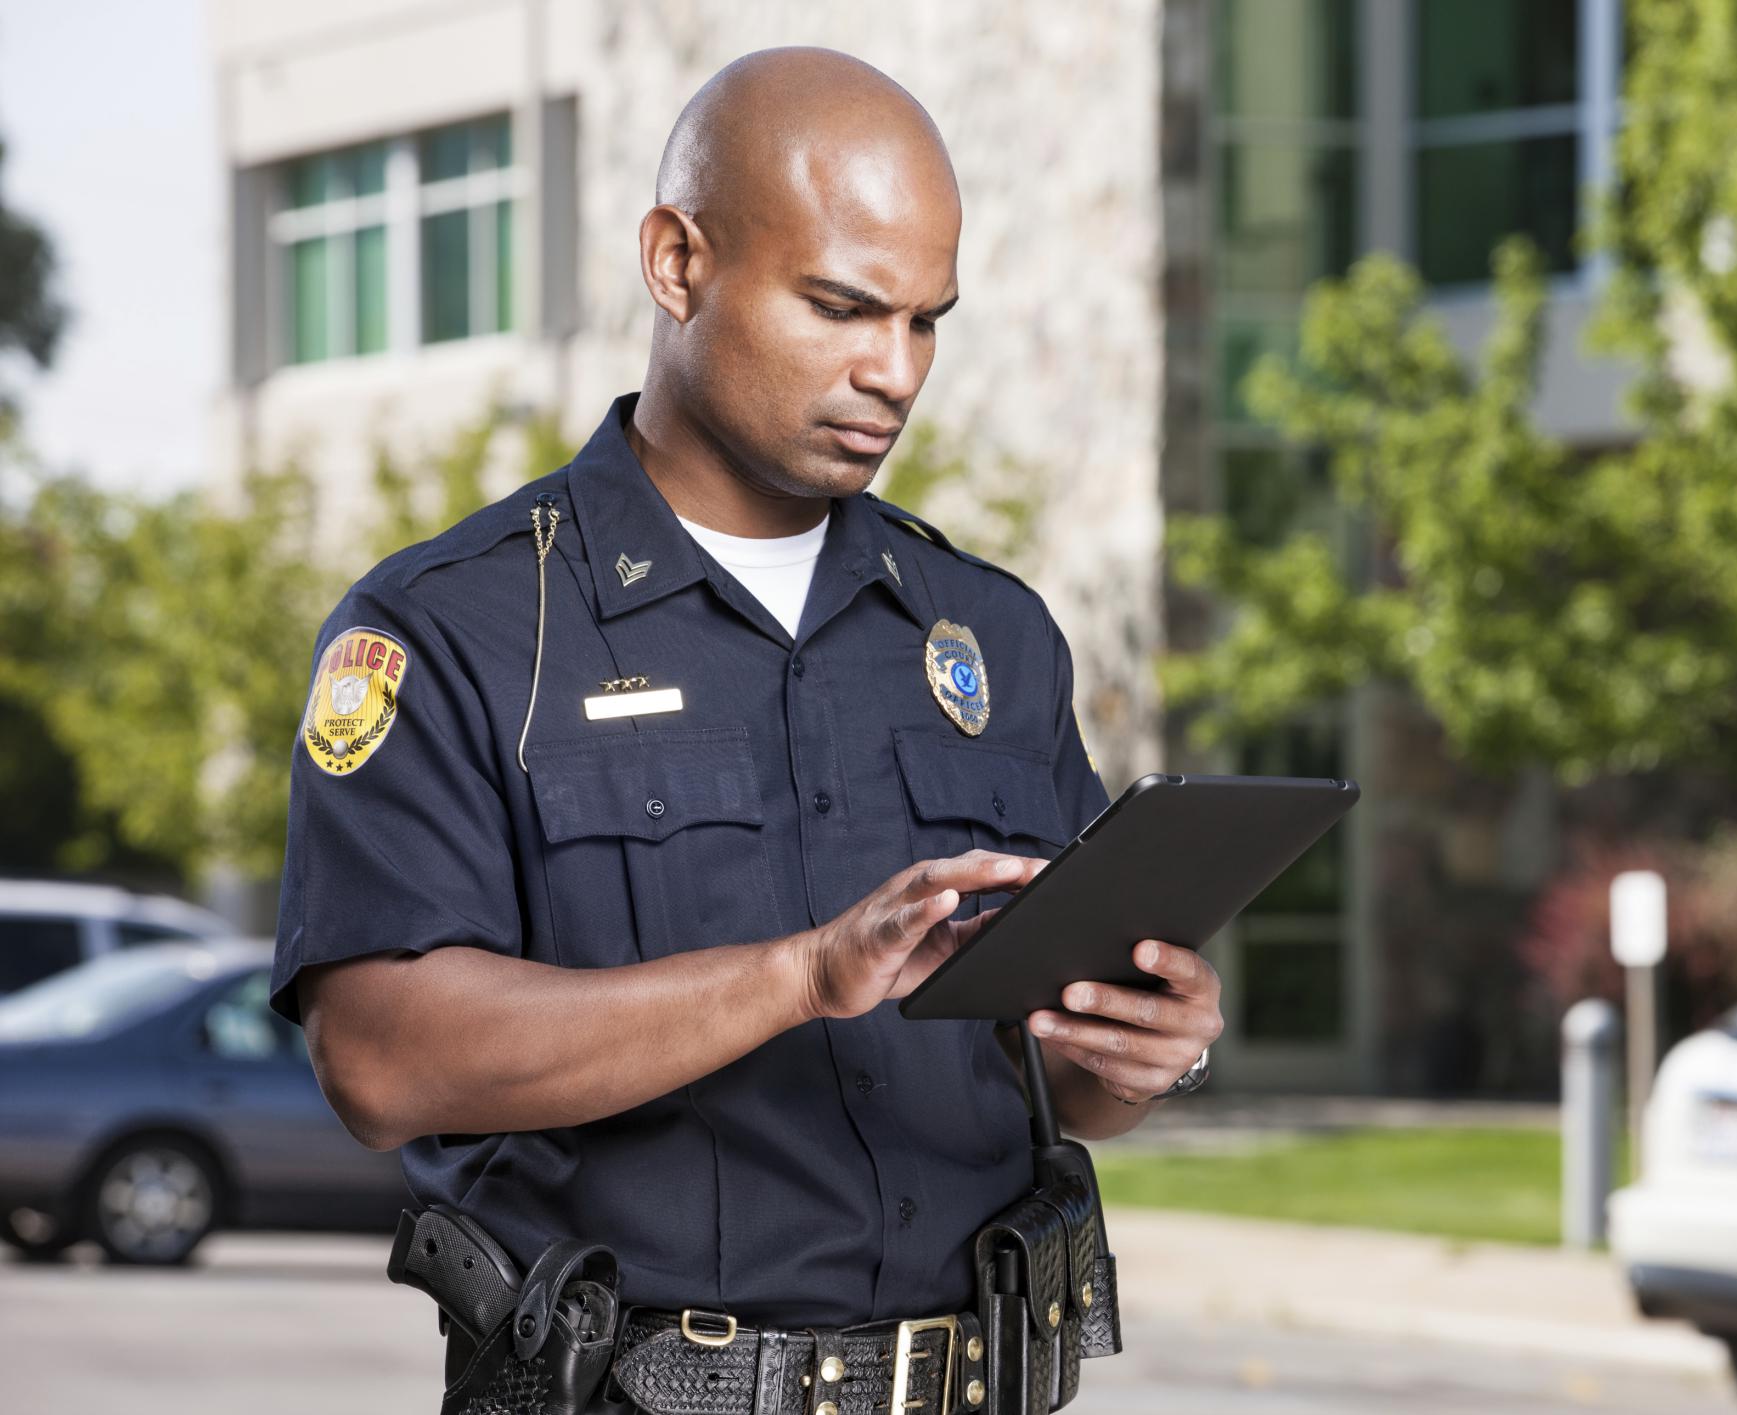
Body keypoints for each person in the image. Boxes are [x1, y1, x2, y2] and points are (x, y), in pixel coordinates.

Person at [270, 45, 1223, 1415]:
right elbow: (380, 1061)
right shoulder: (459, 630)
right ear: (677, 263)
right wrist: (802, 976)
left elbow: (1061, 1085)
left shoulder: (989, 635)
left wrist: (1138, 1051)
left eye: (924, 321)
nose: (892, 371)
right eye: (840, 307)